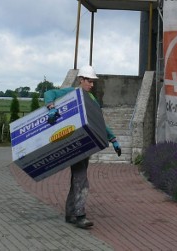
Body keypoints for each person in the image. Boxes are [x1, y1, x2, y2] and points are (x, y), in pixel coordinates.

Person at [44, 65, 121, 229]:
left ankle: (70, 213)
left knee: (77, 180)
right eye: (89, 81)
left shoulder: (91, 99)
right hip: (76, 144)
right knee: (82, 181)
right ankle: (80, 216)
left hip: (87, 145)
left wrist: (113, 138)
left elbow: (100, 121)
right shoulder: (71, 93)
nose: (91, 85)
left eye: (93, 82)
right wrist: (51, 107)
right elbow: (48, 93)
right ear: (81, 80)